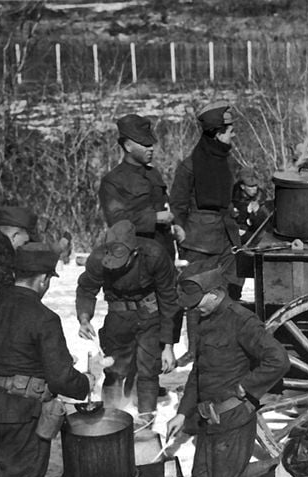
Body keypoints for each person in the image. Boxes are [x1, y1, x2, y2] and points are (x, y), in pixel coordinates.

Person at [166, 268, 289, 477]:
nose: (192, 308)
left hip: (233, 417)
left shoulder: (242, 320)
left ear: (214, 293)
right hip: (209, 418)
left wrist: (247, 386)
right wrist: (181, 413)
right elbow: (198, 372)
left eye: (196, 302)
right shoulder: (205, 319)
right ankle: (242, 471)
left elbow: (279, 359)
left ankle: (280, 468)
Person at [0, 244, 91, 477]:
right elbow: (61, 378)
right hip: (22, 413)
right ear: (43, 279)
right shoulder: (44, 318)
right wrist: (85, 382)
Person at [76, 220, 178, 425]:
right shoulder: (97, 258)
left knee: (148, 368)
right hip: (118, 317)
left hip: (150, 315)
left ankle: (146, 419)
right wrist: (84, 318)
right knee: (114, 369)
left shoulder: (155, 254)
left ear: (134, 253)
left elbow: (169, 300)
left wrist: (168, 345)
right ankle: (109, 419)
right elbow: (87, 289)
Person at [170, 101, 242, 301]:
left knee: (230, 299)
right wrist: (182, 236)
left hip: (228, 244)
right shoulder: (189, 167)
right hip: (199, 247)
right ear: (218, 134)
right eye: (230, 131)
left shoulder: (228, 161)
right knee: (198, 299)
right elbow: (177, 205)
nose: (233, 135)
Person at [98, 114, 185, 260]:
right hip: (135, 257)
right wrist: (154, 218)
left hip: (164, 254)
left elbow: (166, 204)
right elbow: (116, 221)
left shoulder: (154, 174)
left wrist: (176, 225)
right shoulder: (113, 181)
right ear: (128, 146)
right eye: (144, 145)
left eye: (151, 144)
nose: (150, 148)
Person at [232, 166, 265, 243]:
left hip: (254, 233)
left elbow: (265, 222)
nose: (255, 189)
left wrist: (257, 212)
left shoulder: (261, 196)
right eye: (251, 186)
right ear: (242, 186)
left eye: (255, 186)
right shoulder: (233, 196)